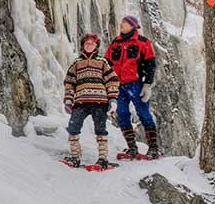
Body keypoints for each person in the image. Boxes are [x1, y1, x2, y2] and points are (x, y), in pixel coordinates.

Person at [104, 15, 160, 159]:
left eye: (124, 22)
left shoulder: (143, 42)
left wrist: (147, 84)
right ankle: (132, 148)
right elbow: (106, 63)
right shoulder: (115, 43)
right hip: (118, 85)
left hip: (136, 84)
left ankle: (153, 148)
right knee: (122, 115)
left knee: (144, 113)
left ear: (132, 25)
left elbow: (150, 65)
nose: (121, 24)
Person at [63, 33, 120, 169]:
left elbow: (112, 80)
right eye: (87, 43)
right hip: (80, 101)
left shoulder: (102, 62)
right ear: (83, 45)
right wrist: (68, 100)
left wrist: (112, 99)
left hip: (100, 101)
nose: (89, 45)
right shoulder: (76, 63)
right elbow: (69, 82)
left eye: (92, 43)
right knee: (73, 127)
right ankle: (75, 157)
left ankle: (103, 159)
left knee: (100, 129)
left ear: (96, 46)